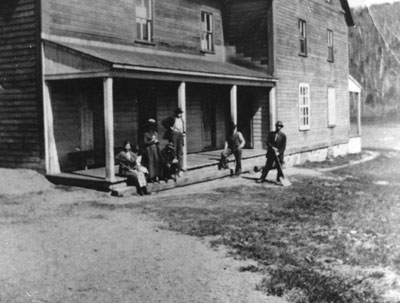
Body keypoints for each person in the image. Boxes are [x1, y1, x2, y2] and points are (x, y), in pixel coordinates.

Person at [162, 107, 185, 172]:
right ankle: (173, 168)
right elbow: (164, 122)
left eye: (180, 113)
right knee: (173, 151)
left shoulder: (181, 119)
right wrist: (170, 127)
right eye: (179, 113)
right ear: (176, 113)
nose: (180, 114)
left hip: (180, 135)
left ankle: (180, 166)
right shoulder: (172, 118)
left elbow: (183, 127)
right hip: (174, 134)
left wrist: (184, 132)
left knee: (180, 151)